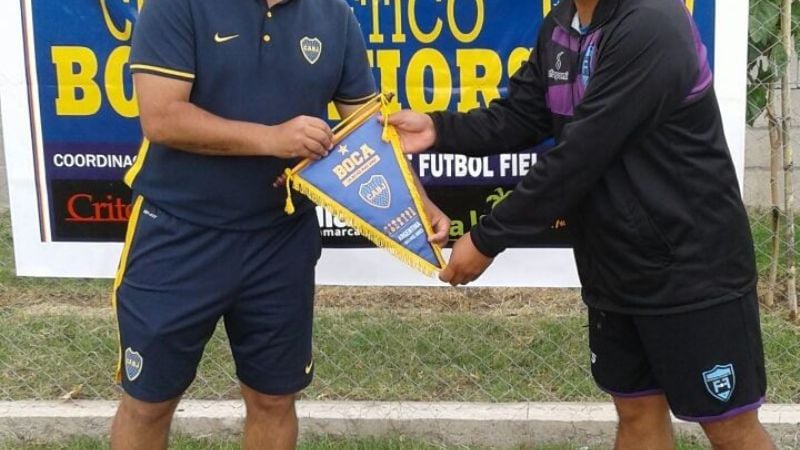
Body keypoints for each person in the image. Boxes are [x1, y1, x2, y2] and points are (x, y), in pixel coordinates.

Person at [385, 0, 775, 449]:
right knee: (635, 412)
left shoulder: (653, 23)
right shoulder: (563, 22)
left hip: (692, 266)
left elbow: (579, 156)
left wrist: (488, 238)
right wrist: (437, 129)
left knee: (728, 427)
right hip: (613, 264)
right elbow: (521, 116)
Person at [111, 0, 447, 449]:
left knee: (273, 398)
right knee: (149, 400)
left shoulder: (335, 15)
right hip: (179, 232)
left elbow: (366, 127)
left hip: (281, 237)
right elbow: (162, 118)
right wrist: (273, 139)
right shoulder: (177, 5)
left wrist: (419, 203)